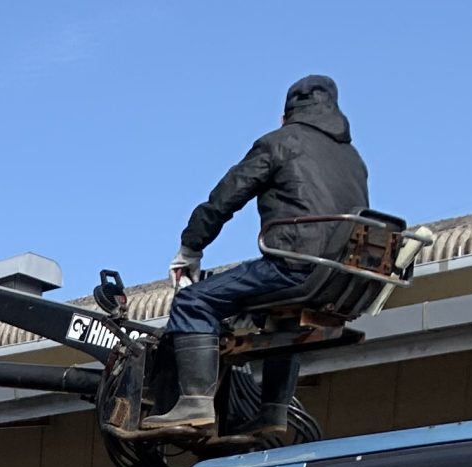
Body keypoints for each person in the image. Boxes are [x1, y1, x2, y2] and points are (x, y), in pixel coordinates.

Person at [148, 75, 370, 434]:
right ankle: (273, 414)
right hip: (341, 275)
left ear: (286, 116)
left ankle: (194, 405)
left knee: (193, 302)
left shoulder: (279, 142)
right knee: (284, 319)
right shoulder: (353, 158)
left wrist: (191, 247)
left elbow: (225, 197)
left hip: (296, 263)